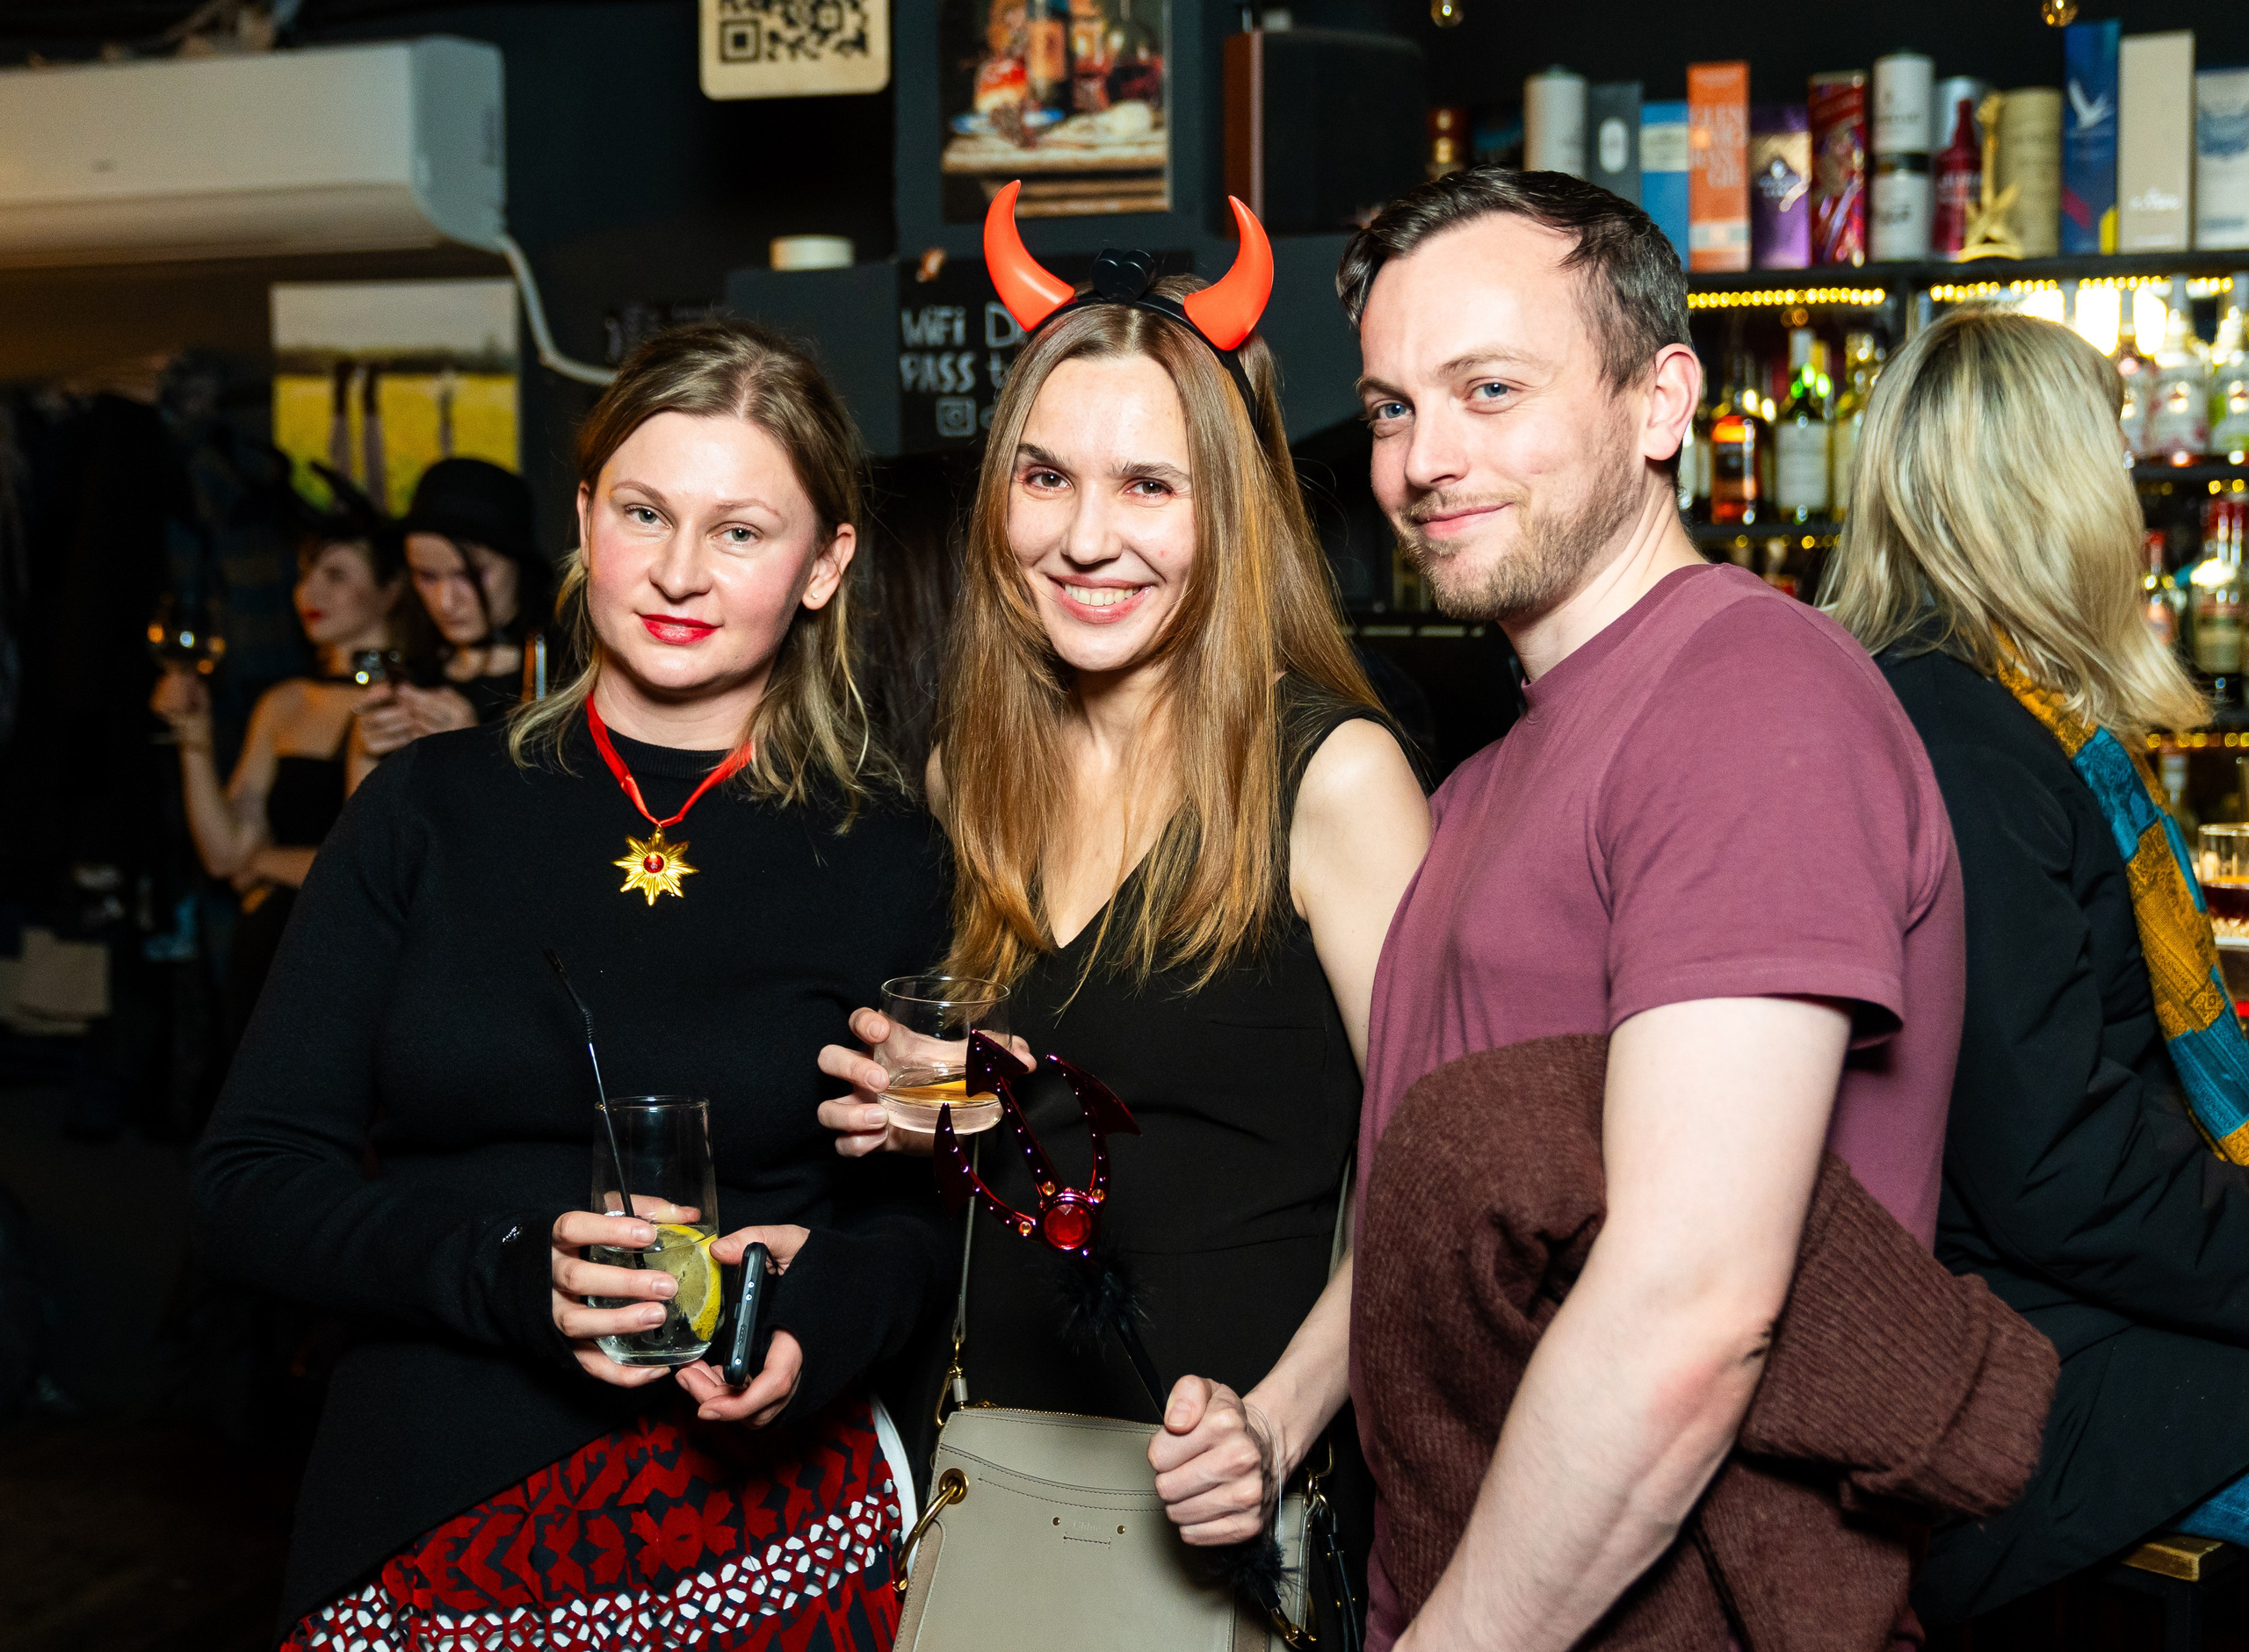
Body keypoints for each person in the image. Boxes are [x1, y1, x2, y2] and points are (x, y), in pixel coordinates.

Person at [193, 321, 950, 1652]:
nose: (676, 572)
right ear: (586, 516)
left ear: (826, 564)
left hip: (769, 1551)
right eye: (645, 512)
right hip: (431, 1522)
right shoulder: (423, 814)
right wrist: (500, 1275)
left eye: (741, 532)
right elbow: (247, 1183)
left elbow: (946, 1227)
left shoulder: (896, 856)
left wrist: (828, 1305)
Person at [1335, 168, 1965, 1651]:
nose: (1427, 458)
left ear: (1660, 403)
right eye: (1389, 407)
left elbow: (1691, 1303)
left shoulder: (1753, 698)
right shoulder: (1494, 770)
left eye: (1491, 388)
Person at [816, 189, 1430, 1627]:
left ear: (1228, 508)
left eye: (1150, 486)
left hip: (1235, 1497)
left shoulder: (1332, 778)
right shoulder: (971, 766)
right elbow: (1085, 1102)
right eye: (1045, 479)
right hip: (997, 1483)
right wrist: (947, 1110)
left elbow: (1432, 1174)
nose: (1088, 538)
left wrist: (1280, 1421)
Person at [1825, 307, 2249, 1621]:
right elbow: (2053, 1162)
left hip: (2040, 1311)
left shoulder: (1956, 702)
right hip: (2014, 1368)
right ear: (2059, 494)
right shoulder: (1968, 741)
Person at [150, 521, 402, 1043]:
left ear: (392, 590)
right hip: (266, 950)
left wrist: (263, 862)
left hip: (349, 954)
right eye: (306, 574)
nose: (309, 592)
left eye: (335, 575)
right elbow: (223, 856)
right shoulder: (284, 702)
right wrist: (192, 737)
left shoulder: (415, 706)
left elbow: (372, 867)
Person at [348, 456, 552, 789]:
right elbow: (362, 837)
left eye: (470, 576)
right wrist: (365, 753)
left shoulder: (567, 679)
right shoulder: (412, 676)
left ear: (519, 567)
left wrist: (475, 754)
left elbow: (555, 826)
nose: (445, 601)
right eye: (426, 576)